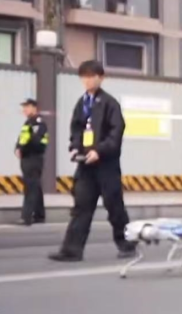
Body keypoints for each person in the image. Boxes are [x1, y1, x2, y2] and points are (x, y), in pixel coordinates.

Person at [49, 60, 137, 262]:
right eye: (84, 77)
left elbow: (116, 133)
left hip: (106, 165)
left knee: (114, 205)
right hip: (86, 165)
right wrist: (74, 147)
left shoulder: (110, 103)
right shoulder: (82, 103)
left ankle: (127, 244)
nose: (88, 81)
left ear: (101, 78)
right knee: (81, 207)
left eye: (92, 76)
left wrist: (100, 150)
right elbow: (76, 129)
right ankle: (72, 250)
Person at [15, 98, 48, 226]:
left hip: (33, 158)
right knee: (35, 186)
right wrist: (17, 148)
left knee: (30, 187)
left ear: (34, 108)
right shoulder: (28, 123)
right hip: (27, 158)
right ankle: (39, 215)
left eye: (27, 107)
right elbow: (22, 138)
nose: (24, 110)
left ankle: (26, 217)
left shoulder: (38, 123)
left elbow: (35, 141)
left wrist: (22, 149)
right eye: (23, 107)